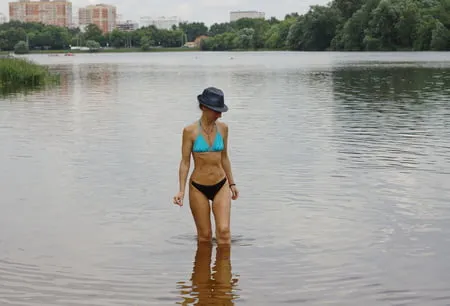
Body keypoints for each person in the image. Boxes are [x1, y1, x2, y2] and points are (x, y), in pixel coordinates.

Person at [173, 86, 239, 245]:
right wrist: (181, 190)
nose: (219, 114)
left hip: (221, 184)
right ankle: (203, 269)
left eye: (220, 111)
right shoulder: (190, 131)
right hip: (198, 187)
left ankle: (224, 270)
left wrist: (232, 183)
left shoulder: (223, 129)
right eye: (216, 110)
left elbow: (224, 158)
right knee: (204, 236)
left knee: (224, 232)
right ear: (204, 107)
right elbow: (185, 162)